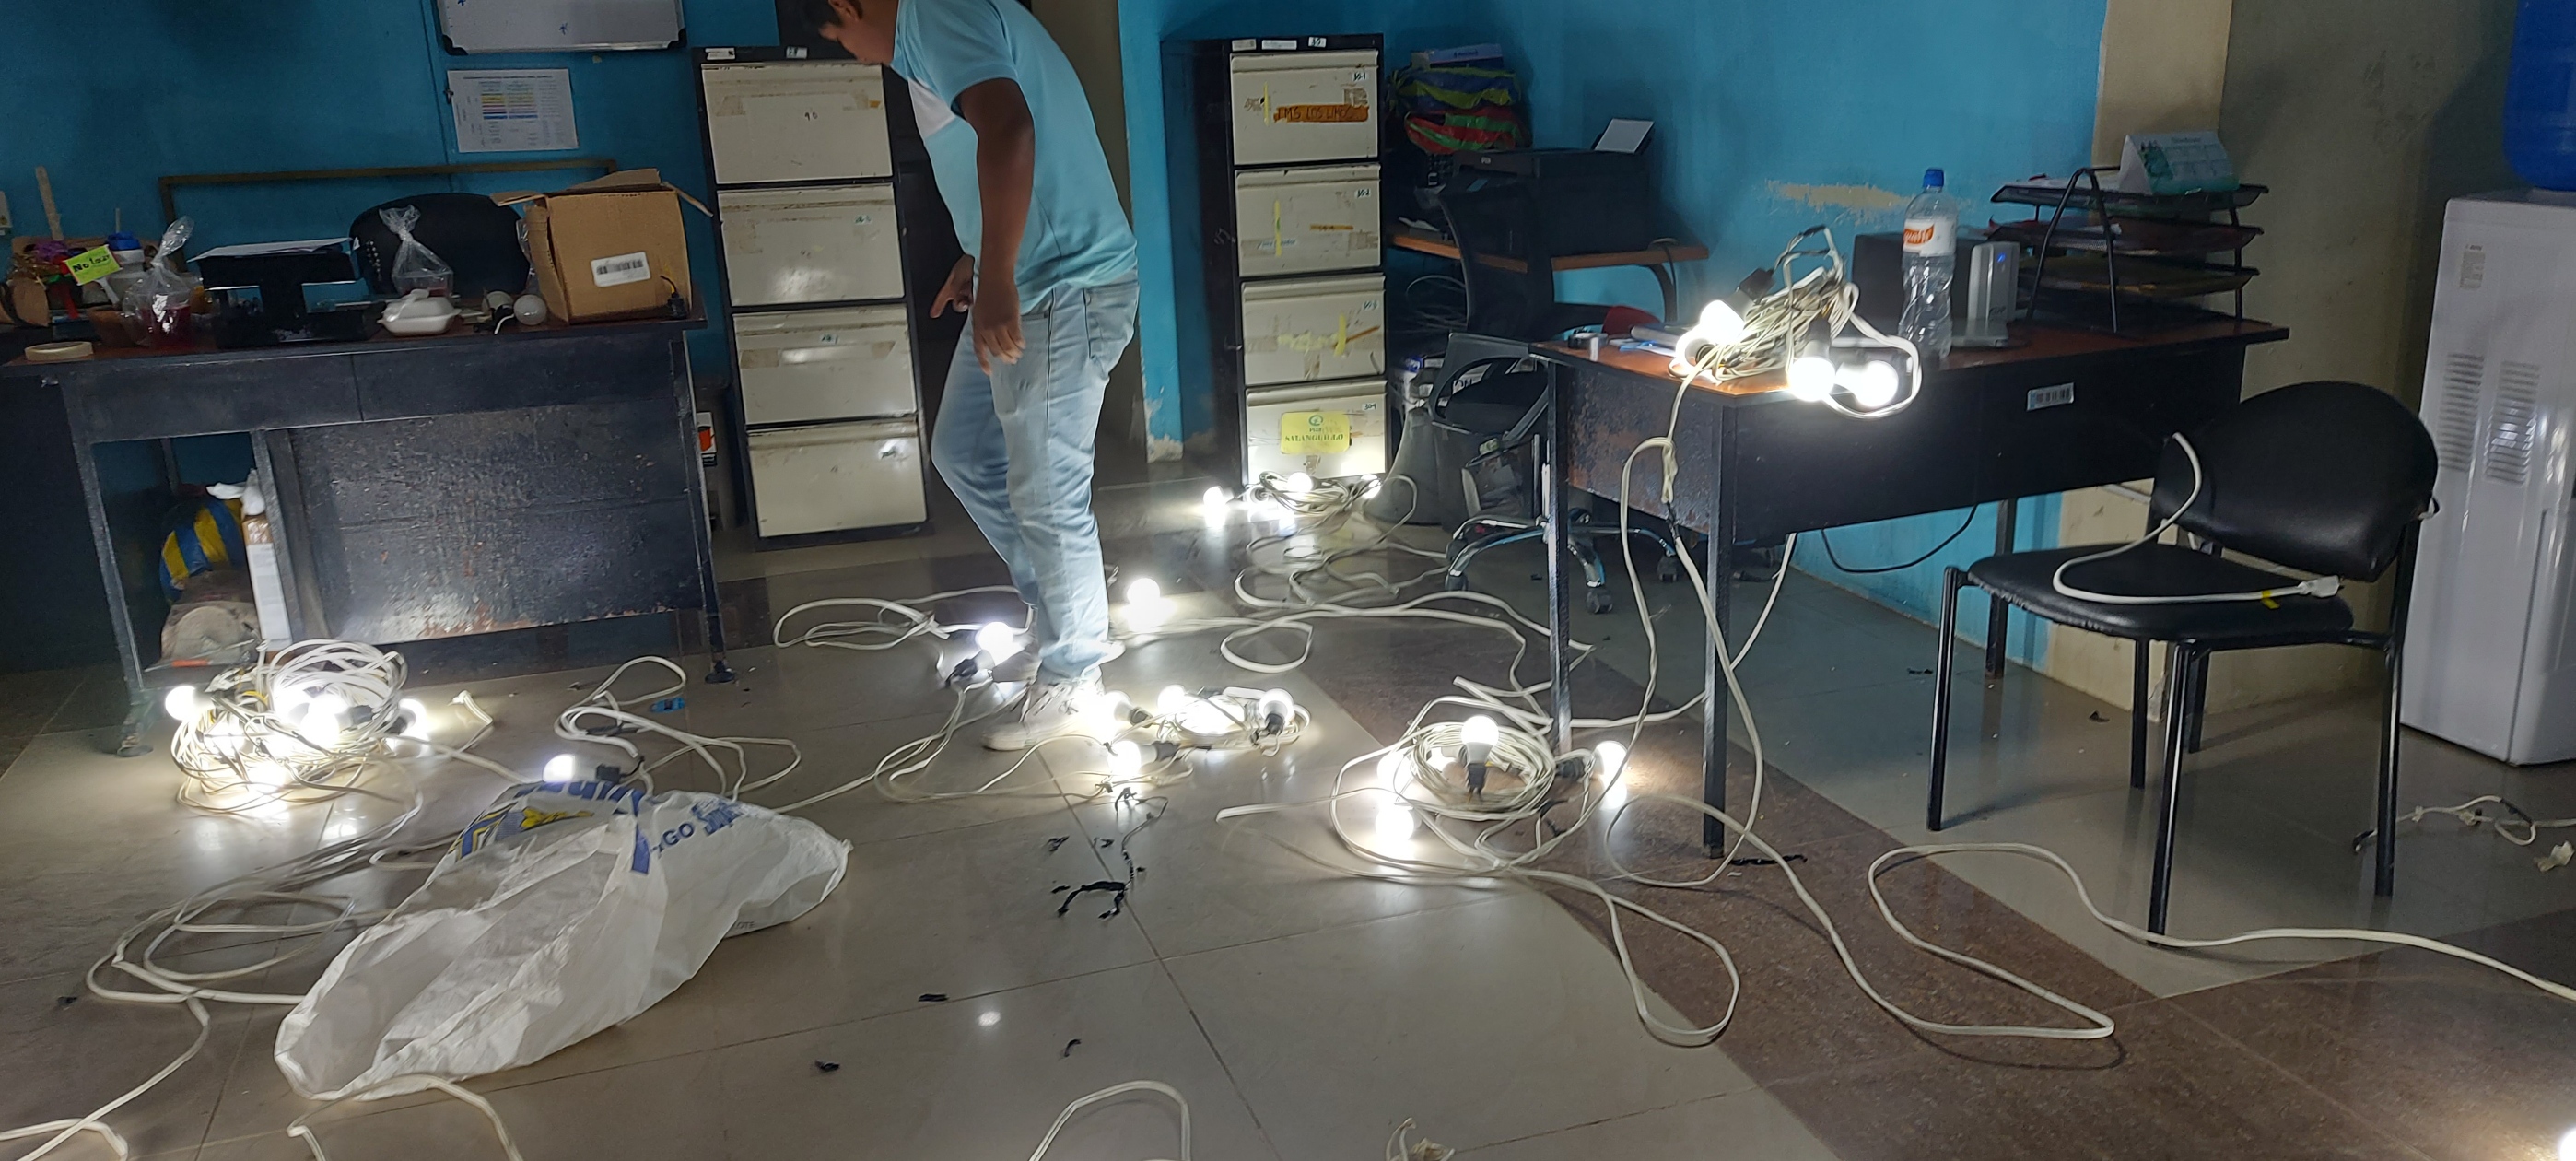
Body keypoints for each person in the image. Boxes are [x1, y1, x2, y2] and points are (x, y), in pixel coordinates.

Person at [810, 0, 1140, 750]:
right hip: (1022, 279)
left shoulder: (937, 15)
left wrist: (999, 280)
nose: (858, 57)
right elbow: (987, 148)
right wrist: (978, 258)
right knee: (962, 449)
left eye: (843, 39)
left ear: (847, 5)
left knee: (1048, 491)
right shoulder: (933, 33)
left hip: (1061, 288)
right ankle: (1060, 616)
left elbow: (1010, 129)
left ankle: (1077, 668)